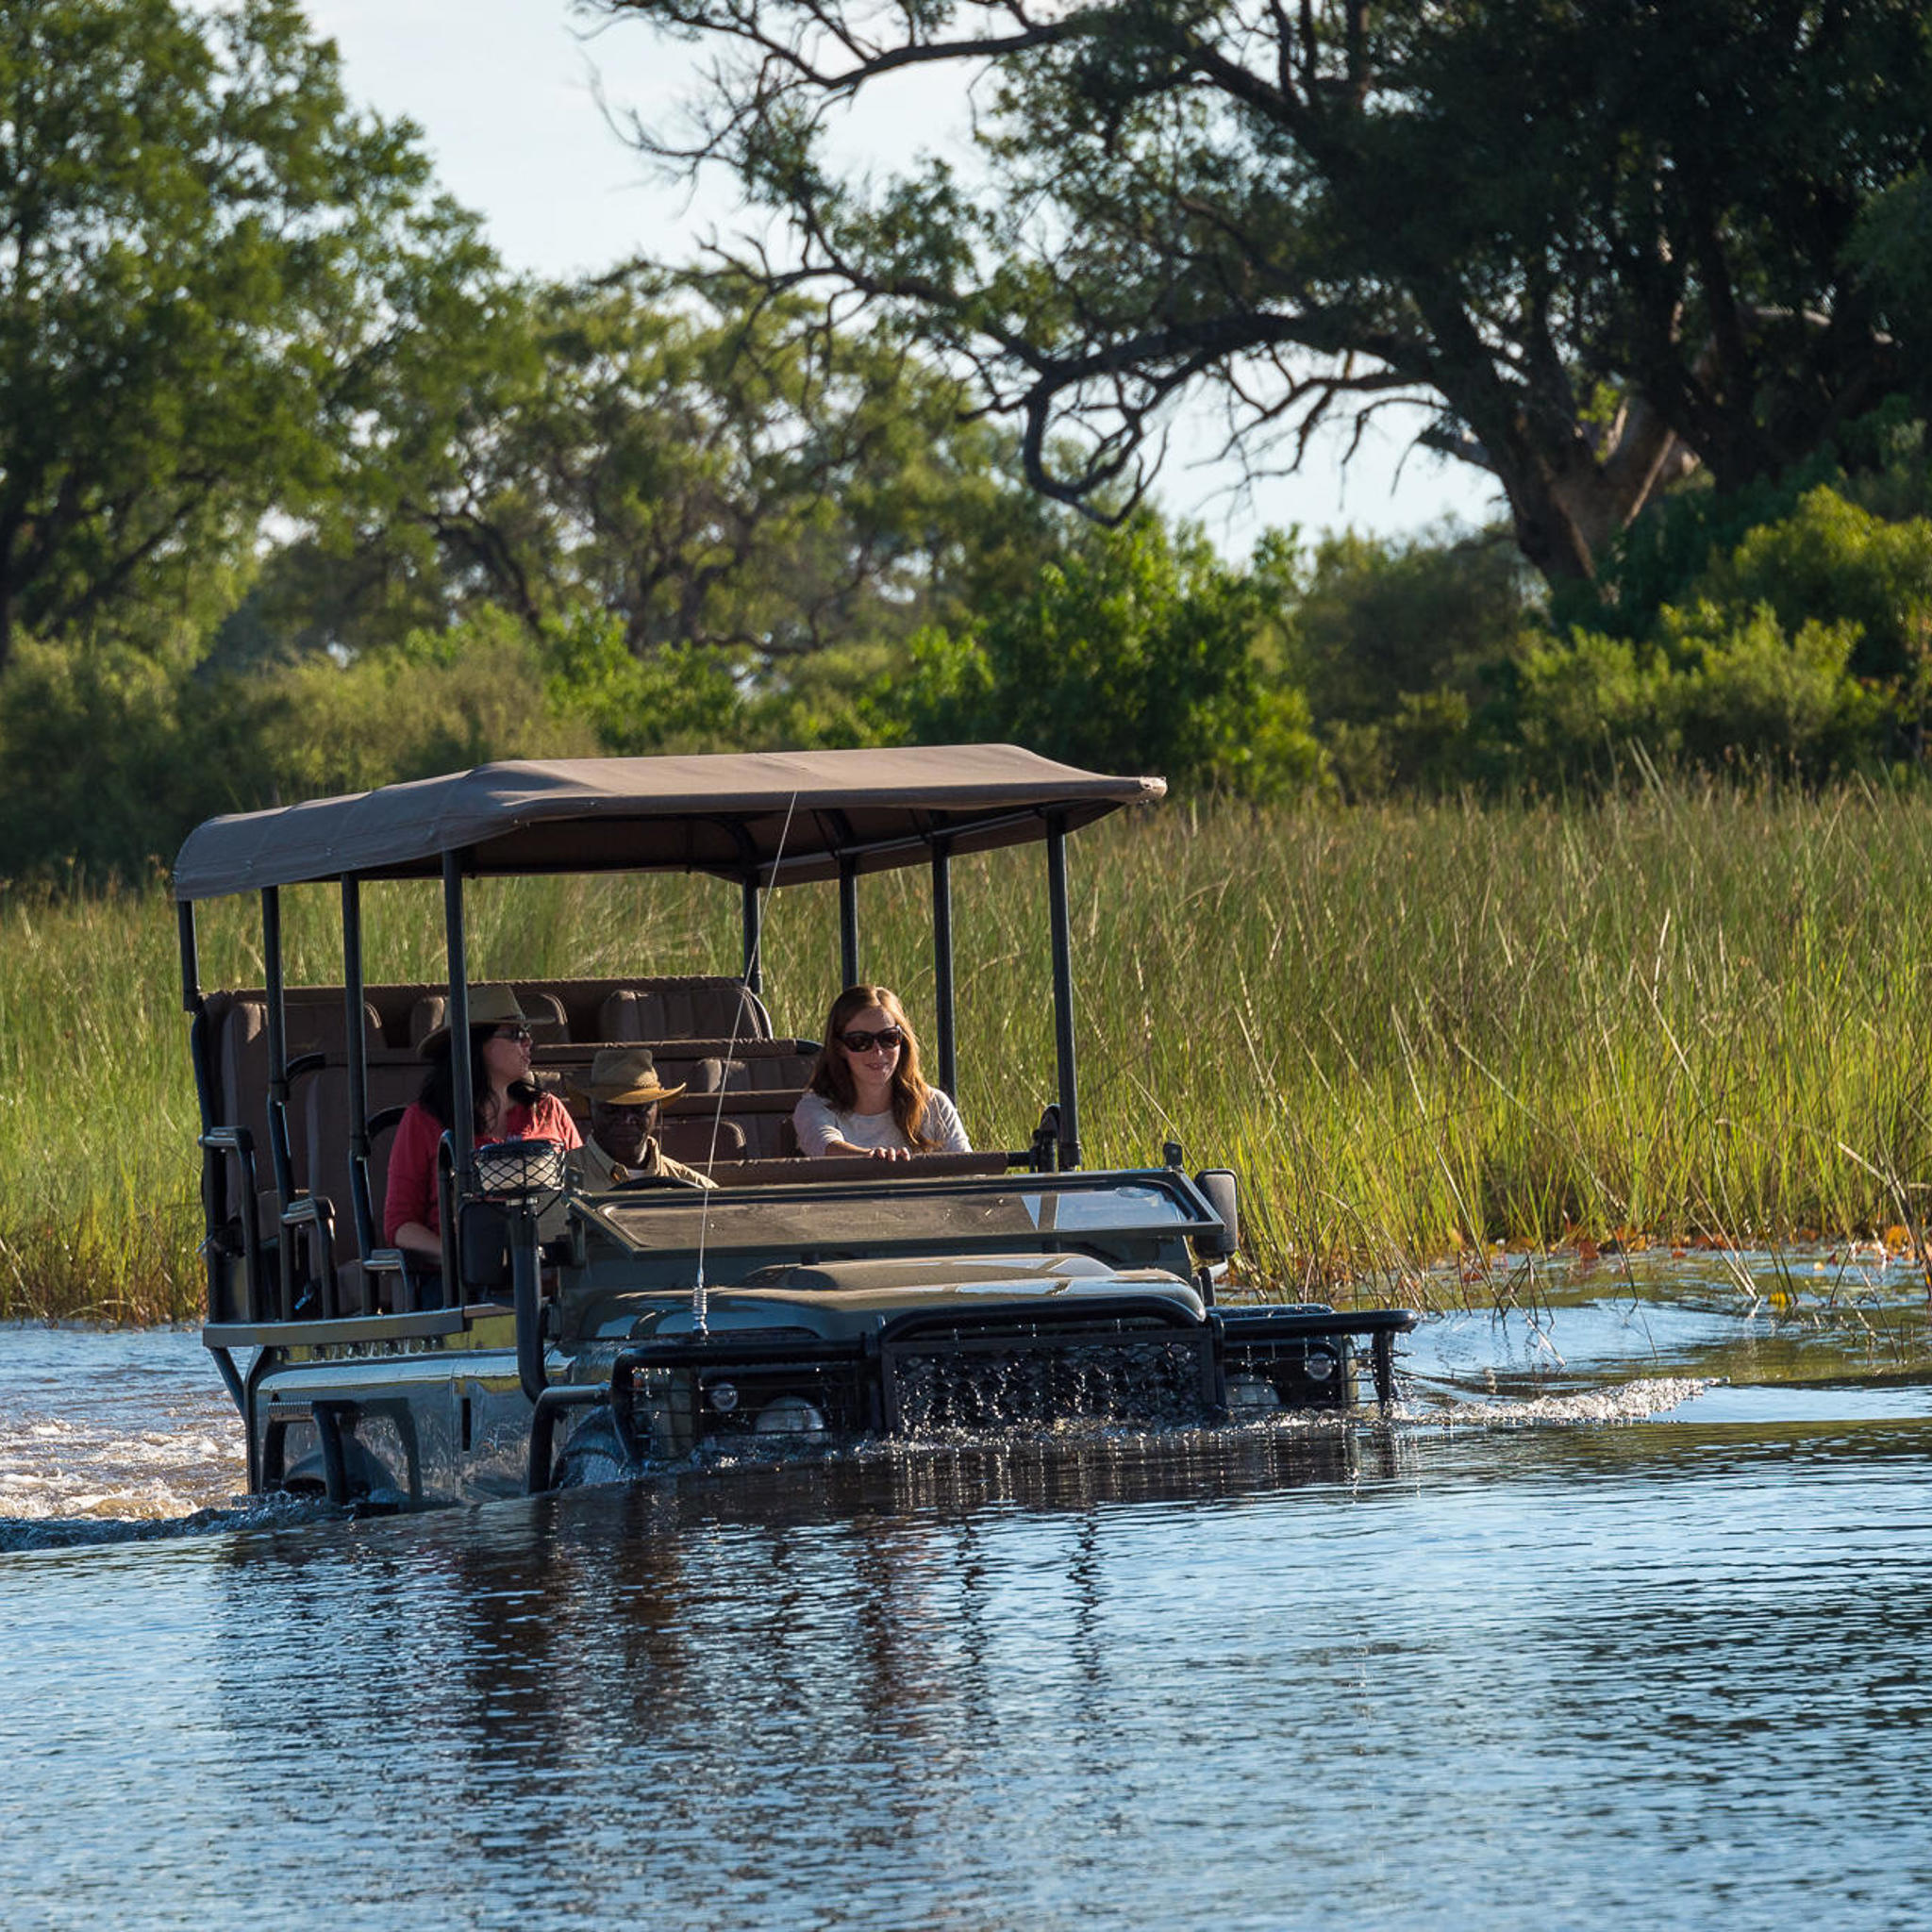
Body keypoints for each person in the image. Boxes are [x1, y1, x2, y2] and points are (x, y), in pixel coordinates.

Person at [382, 985, 581, 1265]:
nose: (528, 1042)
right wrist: (458, 1256)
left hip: (552, 1272)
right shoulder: (424, 1120)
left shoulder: (548, 1109)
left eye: (527, 1033)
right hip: (461, 1284)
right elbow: (400, 1225)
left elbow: (582, 1195)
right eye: (515, 1034)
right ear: (474, 1044)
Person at [792, 984, 970, 1161]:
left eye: (889, 1038)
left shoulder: (934, 1106)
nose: (877, 1051)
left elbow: (970, 1174)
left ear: (903, 1041)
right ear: (839, 1048)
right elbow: (825, 1145)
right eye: (860, 1041)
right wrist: (875, 1159)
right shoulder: (814, 1107)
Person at [571, 1046, 717, 1190]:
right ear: (590, 1108)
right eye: (611, 1108)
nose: (626, 1119)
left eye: (639, 1108)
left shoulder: (699, 1190)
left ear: (657, 1109)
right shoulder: (553, 1183)